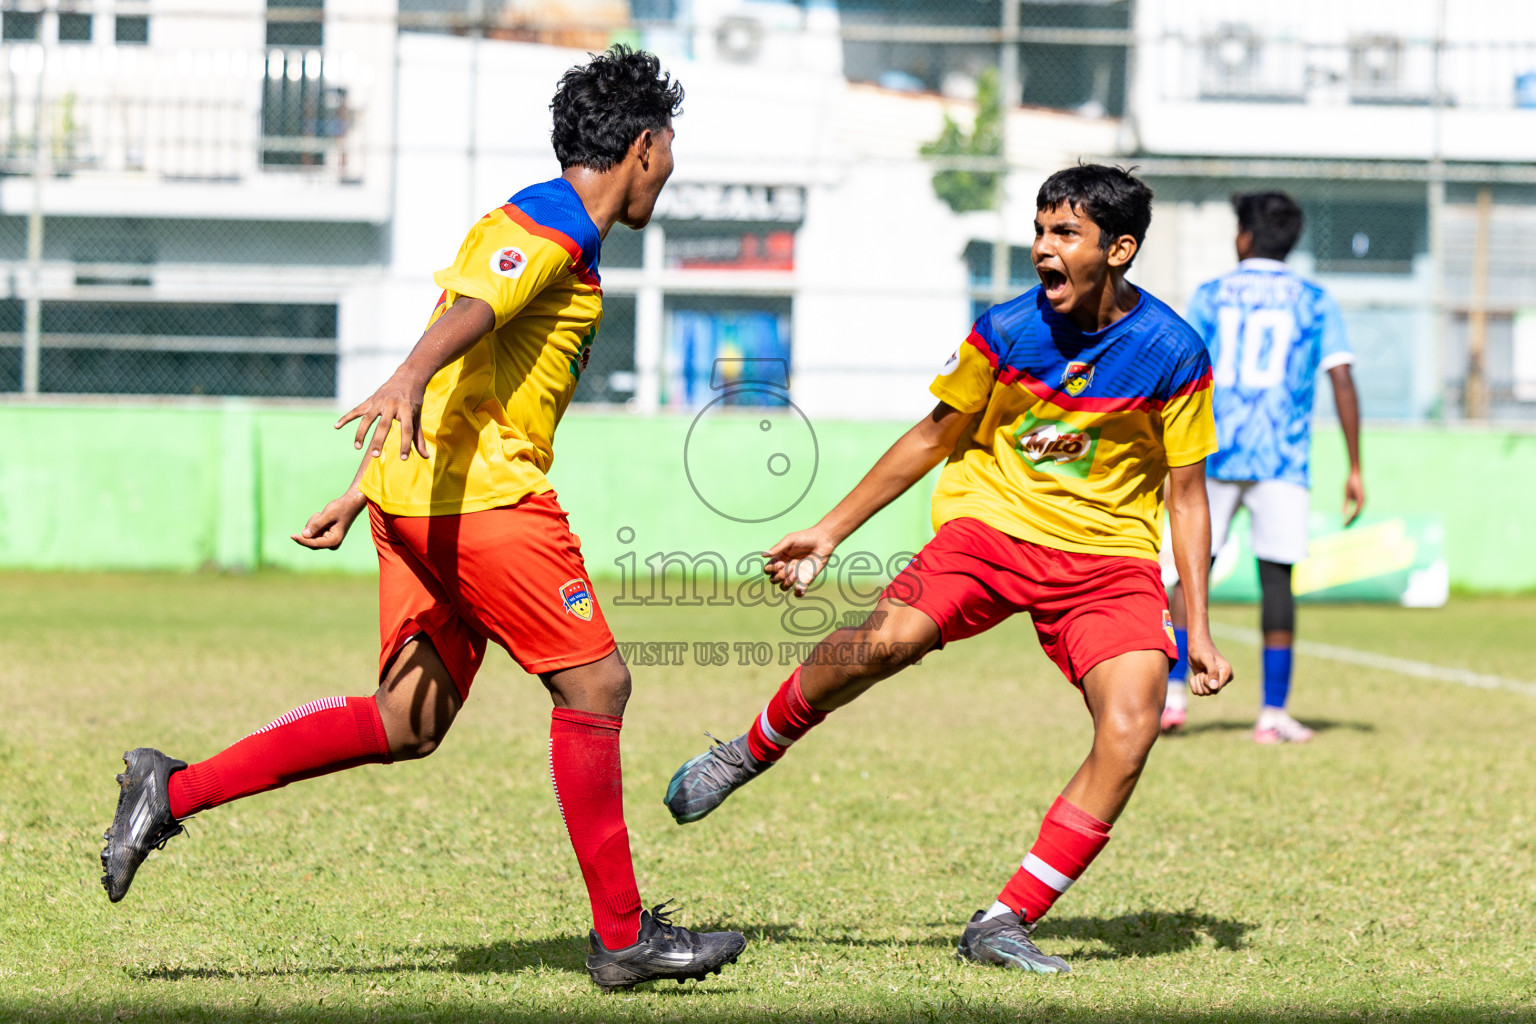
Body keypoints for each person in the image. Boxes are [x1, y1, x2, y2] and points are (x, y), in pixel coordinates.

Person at [99, 46, 746, 992]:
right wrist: (403, 372)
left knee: (408, 720)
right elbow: (469, 314)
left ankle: (171, 789)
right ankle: (622, 940)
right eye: (671, 148)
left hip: (416, 498)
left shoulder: (544, 225)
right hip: (484, 504)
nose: (671, 168)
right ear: (645, 146)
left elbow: (466, 341)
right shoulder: (553, 219)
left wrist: (365, 485)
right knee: (597, 687)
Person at [663, 164, 1233, 975]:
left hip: (1106, 564)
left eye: (1064, 234)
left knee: (1133, 726)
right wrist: (829, 531)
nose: (1043, 248)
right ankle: (750, 748)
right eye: (1039, 230)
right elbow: (932, 437)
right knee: (882, 643)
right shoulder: (1004, 332)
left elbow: (1186, 497)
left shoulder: (1172, 351)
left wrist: (1199, 630)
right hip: (990, 531)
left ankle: (1006, 919)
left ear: (1120, 249)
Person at [1160, 191, 1363, 744]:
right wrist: (1355, 466)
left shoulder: (1210, 294)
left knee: (1186, 568)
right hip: (1282, 455)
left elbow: (1175, 366)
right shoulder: (1314, 299)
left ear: (1244, 237)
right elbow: (1340, 378)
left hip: (1210, 450)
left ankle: (1173, 697)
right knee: (1277, 576)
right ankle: (1272, 714)